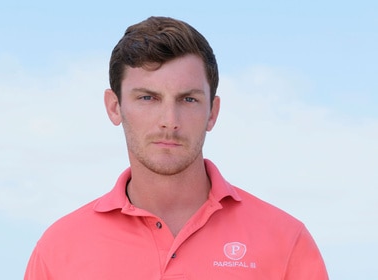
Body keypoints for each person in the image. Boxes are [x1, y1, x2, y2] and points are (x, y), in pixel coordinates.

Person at [24, 16, 328, 279]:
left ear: (212, 112)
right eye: (148, 98)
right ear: (114, 107)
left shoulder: (286, 241)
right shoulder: (59, 249)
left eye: (188, 99)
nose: (169, 121)